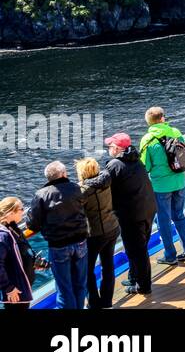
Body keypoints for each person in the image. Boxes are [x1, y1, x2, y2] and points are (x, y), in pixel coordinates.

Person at [26, 160, 89, 308]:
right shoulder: (75, 187)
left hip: (59, 244)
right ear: (62, 174)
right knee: (80, 283)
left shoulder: (41, 195)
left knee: (63, 286)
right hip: (80, 241)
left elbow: (32, 223)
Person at [140, 107, 185, 263]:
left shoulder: (147, 139)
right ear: (163, 118)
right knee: (179, 215)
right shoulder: (176, 132)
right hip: (179, 180)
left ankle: (170, 255)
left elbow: (146, 166)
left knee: (163, 220)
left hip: (160, 185)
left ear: (149, 121)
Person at [104, 132, 157, 296]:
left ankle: (144, 285)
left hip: (132, 214)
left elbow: (104, 187)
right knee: (140, 247)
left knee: (137, 251)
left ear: (117, 148)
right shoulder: (136, 159)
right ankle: (134, 277)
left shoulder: (114, 165)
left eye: (111, 146)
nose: (108, 149)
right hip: (147, 208)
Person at [76, 157, 117, 309]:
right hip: (112, 227)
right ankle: (107, 303)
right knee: (108, 265)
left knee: (87, 269)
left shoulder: (83, 191)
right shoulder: (106, 181)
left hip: (95, 233)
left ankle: (93, 303)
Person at [0, 197, 38, 309]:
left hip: (23, 288)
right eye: (21, 209)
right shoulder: (3, 235)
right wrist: (9, 288)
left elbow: (20, 254)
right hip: (15, 293)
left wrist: (33, 262)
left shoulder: (14, 230)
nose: (23, 211)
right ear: (10, 213)